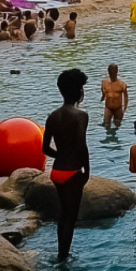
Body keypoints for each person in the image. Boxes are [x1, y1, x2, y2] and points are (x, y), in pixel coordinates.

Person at [43, 69, 90, 261]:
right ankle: (63, 258)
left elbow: (45, 148)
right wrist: (86, 170)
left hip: (57, 171)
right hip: (72, 172)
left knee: (63, 215)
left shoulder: (53, 116)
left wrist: (60, 155)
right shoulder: (81, 116)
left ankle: (60, 252)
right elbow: (81, 145)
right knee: (71, 218)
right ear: (79, 92)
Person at [100, 64, 128, 128]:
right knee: (106, 125)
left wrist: (124, 110)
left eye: (114, 72)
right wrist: (103, 97)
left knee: (117, 126)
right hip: (108, 108)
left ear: (116, 72)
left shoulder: (122, 84)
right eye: (111, 72)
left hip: (118, 109)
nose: (112, 74)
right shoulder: (104, 83)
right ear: (109, 72)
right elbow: (103, 90)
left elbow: (126, 98)